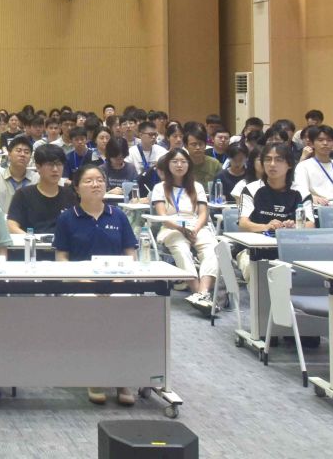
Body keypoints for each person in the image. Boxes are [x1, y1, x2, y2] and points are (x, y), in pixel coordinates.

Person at [51, 165, 141, 406]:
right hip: (79, 286)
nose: (96, 184)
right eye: (89, 180)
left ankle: (122, 379)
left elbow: (130, 254)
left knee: (126, 314)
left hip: (117, 284)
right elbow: (62, 259)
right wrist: (83, 281)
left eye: (100, 180)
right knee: (93, 312)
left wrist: (120, 282)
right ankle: (96, 376)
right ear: (77, 187)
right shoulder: (67, 218)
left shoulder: (118, 215)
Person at [150, 148, 219, 312]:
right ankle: (198, 293)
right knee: (181, 250)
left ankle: (202, 293)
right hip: (171, 227)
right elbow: (162, 216)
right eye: (175, 162)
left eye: (183, 161)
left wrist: (195, 229)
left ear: (189, 165)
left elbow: (203, 213)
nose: (179, 165)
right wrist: (181, 229)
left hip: (196, 225)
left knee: (212, 249)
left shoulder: (197, 186)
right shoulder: (160, 187)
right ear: (168, 165)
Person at [7, 144, 78, 236]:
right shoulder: (23, 194)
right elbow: (11, 226)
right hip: (32, 242)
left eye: (59, 164)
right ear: (38, 167)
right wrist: (32, 239)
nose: (55, 169)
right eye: (50, 164)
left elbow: (78, 224)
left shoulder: (69, 194)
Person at [292, 126, 333, 206]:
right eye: (320, 140)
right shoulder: (303, 166)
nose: (325, 143)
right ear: (312, 143)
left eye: (329, 140)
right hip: (316, 206)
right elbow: (300, 189)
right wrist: (311, 197)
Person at [0, 135, 35, 210]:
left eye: (26, 152)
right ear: (9, 154)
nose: (22, 154)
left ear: (30, 157)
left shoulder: (38, 180)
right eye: (18, 151)